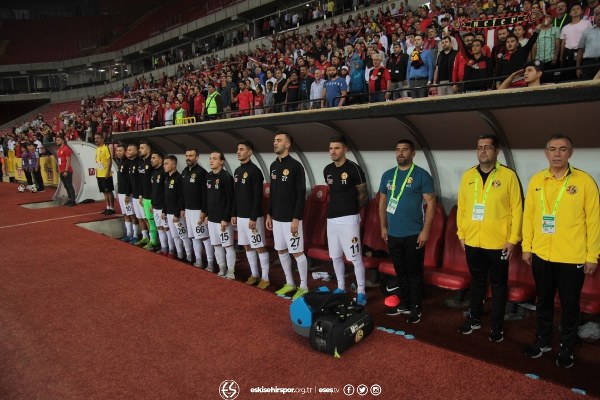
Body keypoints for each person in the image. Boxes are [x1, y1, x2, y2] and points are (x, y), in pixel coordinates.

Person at [522, 134, 600, 368]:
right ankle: (543, 340)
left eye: (562, 149)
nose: (557, 154)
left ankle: (567, 346)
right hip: (542, 255)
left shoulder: (585, 182)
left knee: (570, 304)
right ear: (546, 154)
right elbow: (529, 216)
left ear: (570, 153)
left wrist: (592, 255)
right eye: (552, 149)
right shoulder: (536, 180)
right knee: (544, 301)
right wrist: (527, 247)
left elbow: (594, 221)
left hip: (572, 256)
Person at [456, 134, 523, 342]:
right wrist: (461, 233)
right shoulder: (468, 176)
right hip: (473, 241)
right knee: (476, 282)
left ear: (496, 151)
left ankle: (497, 325)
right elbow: (463, 208)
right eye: (479, 147)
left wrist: (513, 239)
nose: (482, 151)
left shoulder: (508, 176)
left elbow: (517, 209)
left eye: (487, 147)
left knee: (498, 285)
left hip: (498, 243)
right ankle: (474, 318)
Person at [379, 139, 436, 323]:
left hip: (414, 234)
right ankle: (404, 302)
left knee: (414, 272)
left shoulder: (421, 175)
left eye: (405, 150)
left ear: (413, 153)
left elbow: (431, 203)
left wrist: (425, 231)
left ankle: (416, 307)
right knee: (400, 271)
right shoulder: (388, 175)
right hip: (394, 234)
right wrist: (383, 226)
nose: (400, 153)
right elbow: (382, 201)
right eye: (397, 150)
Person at [324, 136, 369, 305]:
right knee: (335, 256)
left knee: (355, 257)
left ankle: (362, 291)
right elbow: (333, 191)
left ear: (345, 150)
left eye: (336, 148)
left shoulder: (353, 169)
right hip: (332, 219)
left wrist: (352, 211)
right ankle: (341, 287)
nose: (333, 152)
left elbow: (363, 195)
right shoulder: (327, 169)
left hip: (349, 219)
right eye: (330, 148)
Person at [266, 132, 309, 300]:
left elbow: (300, 194)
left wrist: (296, 218)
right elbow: (273, 193)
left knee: (297, 252)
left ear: (288, 144)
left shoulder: (296, 166)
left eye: (279, 140)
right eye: (274, 140)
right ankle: (289, 283)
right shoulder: (273, 166)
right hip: (276, 218)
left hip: (292, 219)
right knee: (281, 250)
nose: (275, 143)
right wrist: (269, 214)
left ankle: (304, 286)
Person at [232, 140, 271, 289]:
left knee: (259, 246)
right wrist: (234, 214)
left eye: (241, 149)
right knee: (247, 246)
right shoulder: (237, 171)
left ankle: (265, 278)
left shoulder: (255, 171)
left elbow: (257, 196)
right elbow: (236, 195)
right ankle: (254, 274)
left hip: (253, 217)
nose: (238, 151)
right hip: (240, 216)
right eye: (237, 149)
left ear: (249, 152)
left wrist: (253, 217)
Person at [200, 152, 236, 278]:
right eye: (210, 159)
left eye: (214, 159)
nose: (211, 161)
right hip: (211, 219)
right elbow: (207, 197)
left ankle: (231, 271)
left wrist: (226, 218)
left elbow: (230, 199)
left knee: (228, 246)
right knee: (216, 245)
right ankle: (221, 268)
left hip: (223, 219)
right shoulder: (208, 176)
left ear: (221, 161)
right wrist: (206, 215)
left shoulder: (226, 177)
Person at [181, 148, 214, 270]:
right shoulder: (184, 172)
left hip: (198, 210)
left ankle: (210, 263)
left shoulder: (202, 172)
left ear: (197, 157)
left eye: (191, 155)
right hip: (188, 210)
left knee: (204, 236)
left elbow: (206, 194)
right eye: (186, 155)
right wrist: (182, 208)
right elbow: (183, 192)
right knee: (194, 236)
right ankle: (199, 260)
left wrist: (204, 212)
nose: (188, 158)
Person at [162, 155, 193, 262]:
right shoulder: (166, 178)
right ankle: (179, 255)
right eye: (164, 163)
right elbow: (166, 197)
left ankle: (189, 256)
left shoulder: (179, 178)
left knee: (183, 235)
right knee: (175, 236)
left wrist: (176, 214)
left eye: (166, 163)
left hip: (177, 214)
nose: (164, 166)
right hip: (169, 212)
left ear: (174, 165)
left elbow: (181, 197)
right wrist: (164, 211)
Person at [150, 151, 175, 258]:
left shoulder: (165, 174)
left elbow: (166, 192)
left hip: (162, 206)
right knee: (159, 227)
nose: (151, 160)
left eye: (154, 157)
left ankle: (171, 249)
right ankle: (163, 247)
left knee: (167, 228)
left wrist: (164, 207)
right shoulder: (154, 172)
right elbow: (154, 189)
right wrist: (151, 202)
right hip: (155, 205)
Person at [115, 144, 138, 242]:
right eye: (117, 151)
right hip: (121, 193)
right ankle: (129, 234)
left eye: (120, 151)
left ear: (125, 152)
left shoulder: (128, 163)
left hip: (127, 193)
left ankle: (136, 235)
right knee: (125, 214)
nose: (118, 152)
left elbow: (129, 180)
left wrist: (128, 194)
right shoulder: (120, 162)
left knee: (132, 214)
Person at [138, 140, 159, 250]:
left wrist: (152, 199)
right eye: (139, 148)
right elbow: (142, 181)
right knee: (149, 219)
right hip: (145, 196)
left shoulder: (151, 164)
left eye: (142, 148)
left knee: (154, 221)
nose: (140, 150)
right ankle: (152, 240)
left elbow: (154, 183)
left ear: (148, 149)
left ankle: (155, 242)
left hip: (152, 197)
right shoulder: (142, 163)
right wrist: (141, 195)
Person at [126, 144, 148, 245]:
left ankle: (154, 240)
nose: (128, 151)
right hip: (134, 195)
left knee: (145, 218)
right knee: (139, 217)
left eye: (130, 150)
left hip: (141, 195)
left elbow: (141, 181)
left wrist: (141, 194)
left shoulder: (139, 162)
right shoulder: (131, 163)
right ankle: (145, 237)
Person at [406, 34, 434, 98]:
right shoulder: (411, 55)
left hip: (423, 81)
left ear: (423, 42)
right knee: (414, 104)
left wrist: (429, 81)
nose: (416, 41)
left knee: (423, 104)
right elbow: (408, 69)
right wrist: (408, 82)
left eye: (418, 39)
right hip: (412, 81)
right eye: (415, 40)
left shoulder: (427, 53)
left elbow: (431, 68)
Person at [576, 10, 600, 80]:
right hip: (588, 63)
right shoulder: (587, 31)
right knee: (587, 88)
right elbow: (580, 50)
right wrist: (578, 67)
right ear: (594, 17)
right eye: (598, 14)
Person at [94, 133, 114, 215]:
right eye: (95, 138)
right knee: (104, 192)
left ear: (102, 139)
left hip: (106, 174)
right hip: (99, 174)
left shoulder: (106, 148)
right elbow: (98, 162)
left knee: (109, 191)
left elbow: (109, 160)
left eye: (98, 138)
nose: (96, 140)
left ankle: (112, 208)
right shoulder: (97, 149)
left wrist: (108, 172)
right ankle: (107, 207)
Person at [55, 134, 76, 206]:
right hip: (61, 171)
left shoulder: (66, 149)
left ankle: (73, 201)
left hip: (67, 171)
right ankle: (70, 199)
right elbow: (59, 161)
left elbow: (68, 160)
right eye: (56, 140)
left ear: (63, 141)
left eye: (58, 140)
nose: (57, 142)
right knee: (66, 186)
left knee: (69, 185)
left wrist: (66, 170)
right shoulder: (59, 150)